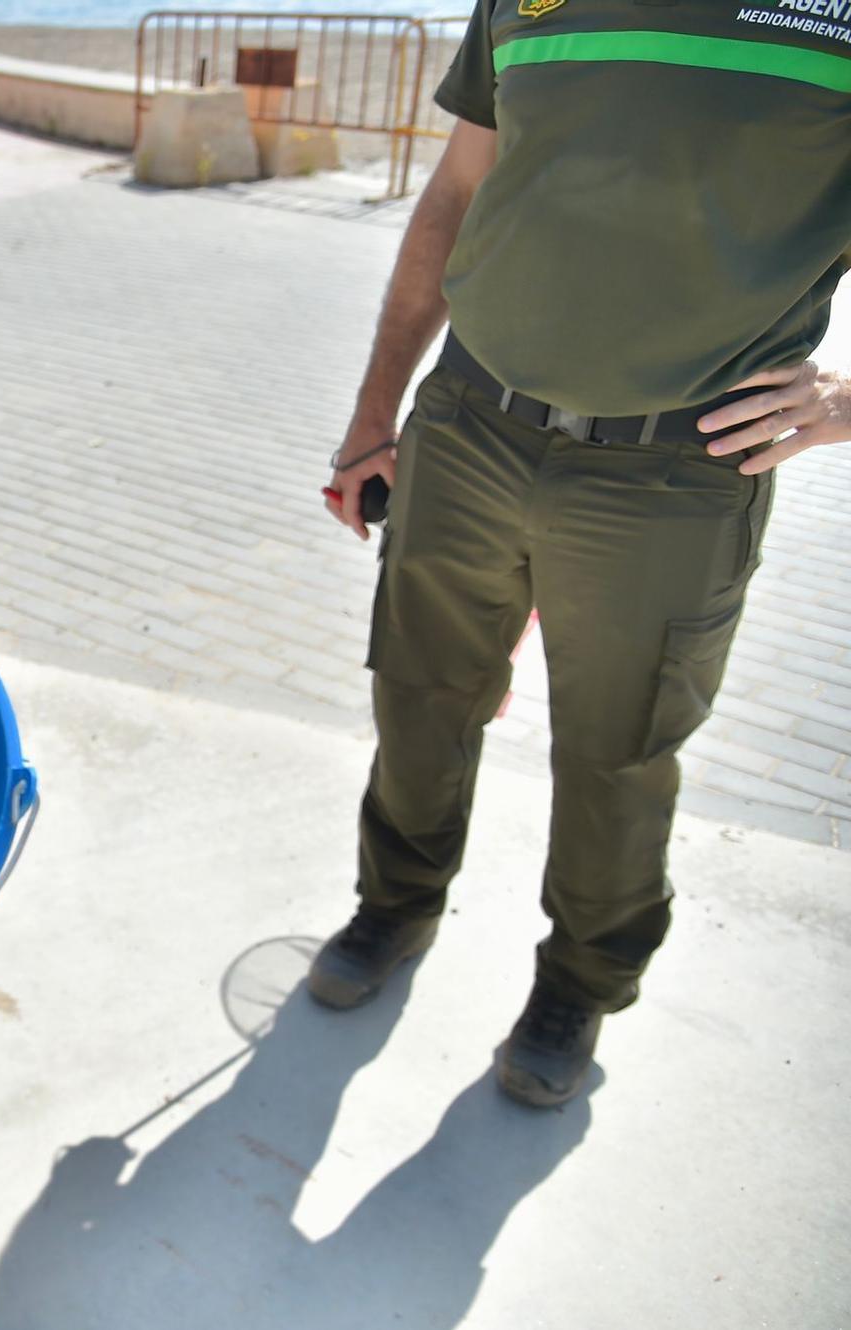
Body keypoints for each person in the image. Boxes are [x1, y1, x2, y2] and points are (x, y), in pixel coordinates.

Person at [310, 0, 849, 1107]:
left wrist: (843, 397)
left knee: (617, 751)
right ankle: (393, 905)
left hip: (680, 465)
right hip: (468, 423)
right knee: (418, 693)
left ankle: (579, 983)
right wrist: (377, 411)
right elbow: (456, 194)